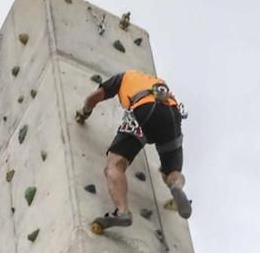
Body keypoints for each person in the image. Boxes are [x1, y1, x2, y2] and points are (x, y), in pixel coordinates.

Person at [76, 70, 192, 230]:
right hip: (172, 114)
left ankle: (122, 211)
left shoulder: (124, 77)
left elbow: (93, 98)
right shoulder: (157, 80)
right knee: (172, 172)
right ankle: (176, 187)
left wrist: (84, 112)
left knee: (115, 165)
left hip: (144, 110)